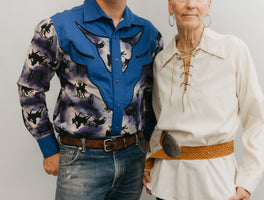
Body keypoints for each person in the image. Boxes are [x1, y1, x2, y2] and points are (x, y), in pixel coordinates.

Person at [17, 0, 163, 199]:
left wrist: (148, 140)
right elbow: (30, 87)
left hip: (133, 158)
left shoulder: (149, 34)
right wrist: (48, 147)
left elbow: (153, 93)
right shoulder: (57, 27)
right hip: (81, 158)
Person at [142, 0, 264, 199]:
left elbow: (255, 118)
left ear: (208, 6)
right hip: (167, 183)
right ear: (170, 6)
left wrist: (247, 181)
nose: (191, 4)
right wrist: (151, 161)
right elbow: (160, 122)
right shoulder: (161, 61)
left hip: (217, 183)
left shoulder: (232, 51)